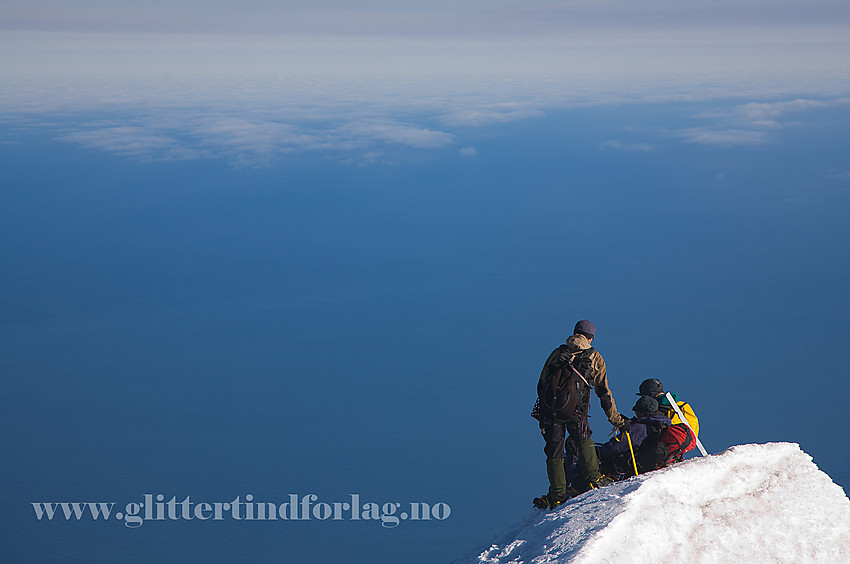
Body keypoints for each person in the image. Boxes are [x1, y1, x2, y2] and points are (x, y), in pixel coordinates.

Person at [532, 320, 628, 509]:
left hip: (552, 413)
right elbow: (604, 392)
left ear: (574, 332)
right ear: (591, 337)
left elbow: (542, 383)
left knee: (554, 452)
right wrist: (616, 419)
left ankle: (558, 494)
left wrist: (546, 411)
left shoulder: (557, 353)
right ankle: (594, 478)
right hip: (577, 413)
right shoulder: (594, 357)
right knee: (584, 440)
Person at [598, 395, 671, 480]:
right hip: (646, 464)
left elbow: (616, 446)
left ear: (642, 412)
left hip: (628, 467)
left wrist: (599, 451)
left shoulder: (639, 428)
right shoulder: (661, 425)